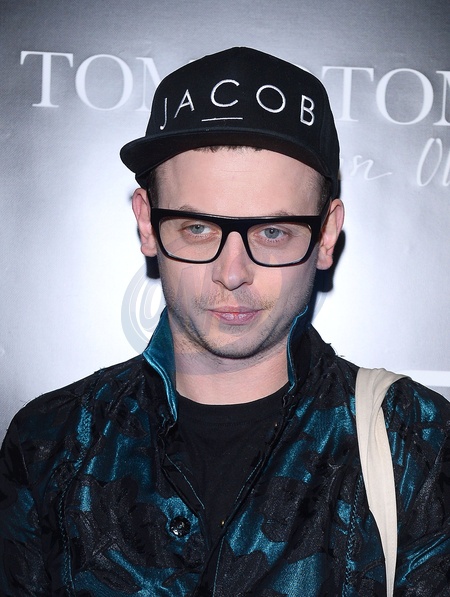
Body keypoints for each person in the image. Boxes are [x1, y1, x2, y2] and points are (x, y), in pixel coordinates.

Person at [0, 47, 449, 597]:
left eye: (273, 232)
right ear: (147, 223)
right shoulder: (49, 445)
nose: (232, 273)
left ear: (326, 235)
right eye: (196, 228)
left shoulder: (418, 447)